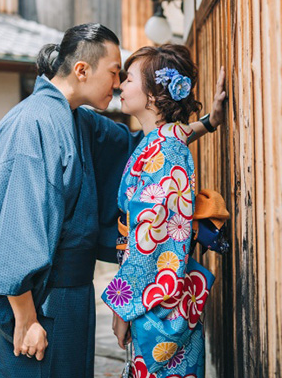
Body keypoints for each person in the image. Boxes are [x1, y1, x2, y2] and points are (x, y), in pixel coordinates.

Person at [0, 24, 225, 378]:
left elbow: (150, 145)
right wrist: (26, 317)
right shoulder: (31, 124)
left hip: (72, 295)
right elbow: (17, 224)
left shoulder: (80, 120)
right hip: (40, 303)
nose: (118, 83)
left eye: (125, 77)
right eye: (114, 73)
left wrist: (207, 123)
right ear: (82, 70)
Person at [102, 44, 218, 377]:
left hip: (158, 301)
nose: (120, 86)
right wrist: (211, 121)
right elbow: (181, 130)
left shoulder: (164, 152)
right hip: (163, 298)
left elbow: (148, 238)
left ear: (154, 95)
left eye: (129, 79)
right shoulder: (162, 142)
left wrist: (123, 307)